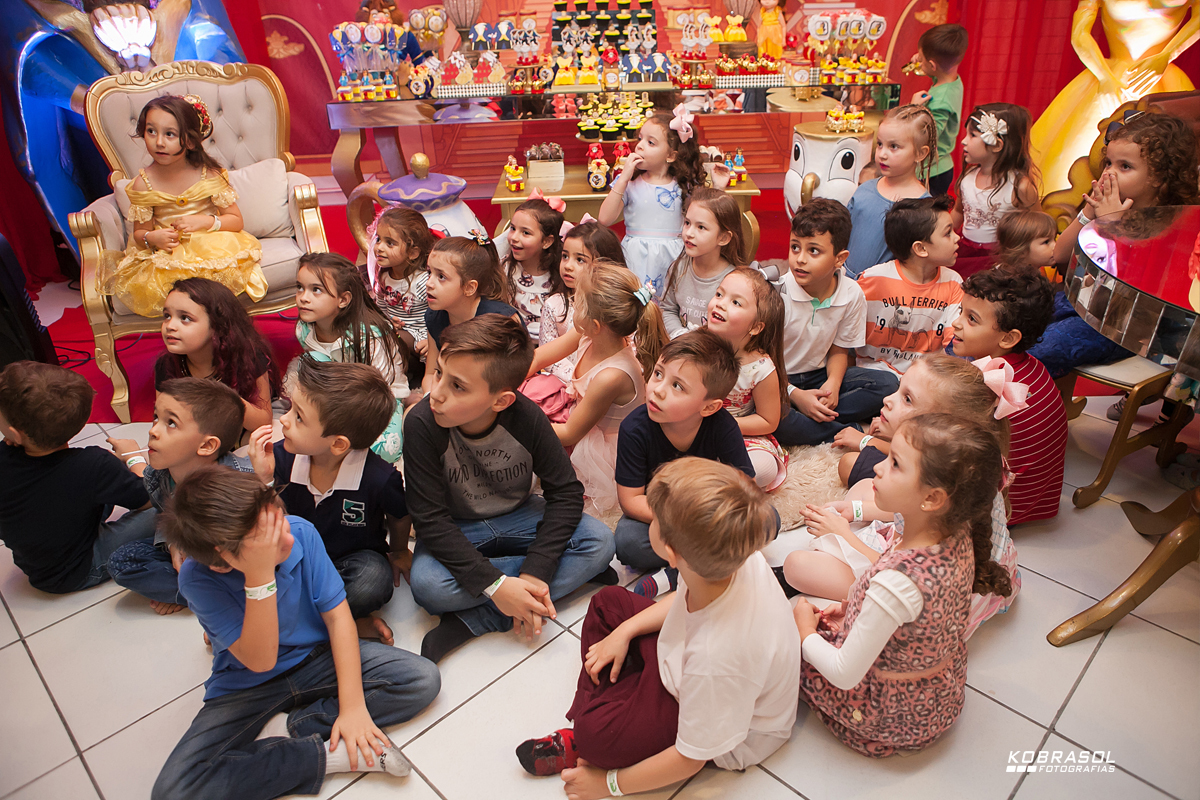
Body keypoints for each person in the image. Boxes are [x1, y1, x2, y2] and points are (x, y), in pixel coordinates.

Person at [152, 467, 440, 800]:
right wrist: (260, 579)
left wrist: (353, 709)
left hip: (318, 656)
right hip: (247, 682)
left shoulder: (301, 531)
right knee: (173, 791)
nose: (287, 537)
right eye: (270, 540)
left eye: (281, 518)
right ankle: (325, 757)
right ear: (222, 560)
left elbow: (338, 619)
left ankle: (289, 727)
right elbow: (261, 661)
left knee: (422, 680)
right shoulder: (196, 579)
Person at [516, 459, 799, 794]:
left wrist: (609, 785)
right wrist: (625, 631)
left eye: (654, 517)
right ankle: (618, 705)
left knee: (594, 736)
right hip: (686, 664)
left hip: (718, 724)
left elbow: (689, 759)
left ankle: (588, 734)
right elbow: (684, 600)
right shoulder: (733, 555)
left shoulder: (715, 659)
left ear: (670, 552)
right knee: (608, 603)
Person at [794, 414, 1011, 757]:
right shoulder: (957, 533)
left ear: (932, 498)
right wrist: (851, 609)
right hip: (935, 697)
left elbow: (844, 673)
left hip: (890, 715)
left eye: (895, 463)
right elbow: (917, 619)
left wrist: (805, 632)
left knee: (782, 638)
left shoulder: (897, 582)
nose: (877, 468)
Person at [403, 315, 617, 663]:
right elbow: (429, 520)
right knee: (428, 585)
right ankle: (533, 588)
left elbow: (565, 493)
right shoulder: (421, 423)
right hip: (458, 527)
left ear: (501, 401)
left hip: (520, 516)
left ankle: (482, 617)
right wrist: (498, 584)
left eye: (457, 386)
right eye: (439, 373)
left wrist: (536, 569)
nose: (436, 394)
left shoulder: (527, 417)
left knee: (601, 542)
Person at [824, 353, 1025, 636]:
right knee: (862, 489)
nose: (888, 400)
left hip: (923, 593)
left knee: (800, 566)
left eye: (907, 398)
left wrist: (843, 533)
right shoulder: (955, 469)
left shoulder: (941, 502)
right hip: (943, 563)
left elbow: (898, 570)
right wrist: (858, 510)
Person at [248, 358, 410, 645]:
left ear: (338, 444)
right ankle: (343, 625)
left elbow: (399, 516)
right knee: (245, 560)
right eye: (290, 408)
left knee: (373, 579)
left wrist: (398, 550)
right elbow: (265, 522)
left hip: (352, 559)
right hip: (293, 558)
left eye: (299, 417)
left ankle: (287, 624)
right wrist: (265, 480)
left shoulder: (380, 477)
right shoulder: (280, 458)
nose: (283, 420)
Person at [1034, 112, 1200, 381]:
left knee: (1043, 348)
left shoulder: (1174, 227)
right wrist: (1089, 212)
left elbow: (1131, 294)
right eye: (1108, 163)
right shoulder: (1103, 206)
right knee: (1011, 322)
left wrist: (1113, 226)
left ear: (1160, 177)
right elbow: (1059, 254)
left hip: (1125, 327)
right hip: (1081, 304)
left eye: (1125, 167)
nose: (1109, 173)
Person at [95, 95, 266, 318]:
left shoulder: (208, 174)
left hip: (211, 245)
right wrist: (152, 238)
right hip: (169, 251)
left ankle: (217, 329)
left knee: (212, 293)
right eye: (151, 131)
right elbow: (139, 233)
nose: (159, 142)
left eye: (170, 134)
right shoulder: (144, 183)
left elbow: (236, 220)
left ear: (191, 141)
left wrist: (205, 221)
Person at [613, 330, 755, 593]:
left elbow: (745, 484)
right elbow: (631, 500)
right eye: (658, 374)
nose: (658, 390)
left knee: (768, 521)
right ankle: (703, 566)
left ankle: (673, 574)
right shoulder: (634, 429)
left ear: (709, 407)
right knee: (627, 542)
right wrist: (685, 520)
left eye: (677, 386)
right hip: (661, 514)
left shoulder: (723, 426)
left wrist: (710, 516)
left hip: (706, 512)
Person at [0, 361, 154, 594]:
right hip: (76, 570)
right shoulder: (94, 465)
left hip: (36, 561)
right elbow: (149, 499)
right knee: (169, 504)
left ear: (15, 434)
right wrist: (134, 458)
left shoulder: (6, 453)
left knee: (93, 486)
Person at [107, 378, 252, 614]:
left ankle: (216, 597)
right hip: (194, 550)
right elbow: (164, 515)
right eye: (156, 417)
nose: (153, 430)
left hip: (235, 560)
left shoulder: (237, 484)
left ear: (207, 446)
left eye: (171, 423)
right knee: (122, 561)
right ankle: (197, 594)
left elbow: (252, 548)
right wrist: (173, 542)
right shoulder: (157, 475)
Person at [770, 199, 895, 447]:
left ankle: (813, 417)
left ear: (840, 259)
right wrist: (795, 395)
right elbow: (759, 360)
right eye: (795, 247)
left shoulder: (852, 293)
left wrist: (833, 385)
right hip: (775, 378)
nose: (800, 259)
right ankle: (847, 429)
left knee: (888, 385)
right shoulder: (776, 293)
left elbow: (839, 349)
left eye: (813, 251)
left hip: (818, 375)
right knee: (776, 418)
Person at [950, 267, 1065, 525]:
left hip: (996, 512)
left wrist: (871, 441)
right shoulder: (1033, 366)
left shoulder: (986, 384)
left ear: (1009, 338)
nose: (956, 323)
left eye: (972, 319)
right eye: (961, 311)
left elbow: (944, 449)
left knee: (869, 462)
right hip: (1036, 502)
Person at [553, 261, 666, 515]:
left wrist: (523, 423)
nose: (572, 304)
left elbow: (570, 434)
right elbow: (540, 357)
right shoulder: (589, 334)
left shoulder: (612, 376)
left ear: (595, 324)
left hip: (604, 448)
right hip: (581, 418)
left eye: (577, 302)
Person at [294, 253, 411, 463]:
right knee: (312, 441)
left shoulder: (371, 335)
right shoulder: (304, 330)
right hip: (336, 395)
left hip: (378, 397)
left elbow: (382, 388)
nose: (303, 297)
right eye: (300, 287)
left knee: (383, 450)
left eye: (316, 290)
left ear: (343, 299)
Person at [599, 106, 713, 294]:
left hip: (673, 256)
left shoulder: (683, 186)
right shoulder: (630, 183)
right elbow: (605, 219)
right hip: (635, 257)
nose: (640, 146)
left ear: (671, 155)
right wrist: (623, 178)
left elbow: (706, 215)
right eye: (640, 138)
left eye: (650, 142)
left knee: (670, 300)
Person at [155, 277, 279, 435]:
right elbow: (162, 419)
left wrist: (223, 399)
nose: (170, 326)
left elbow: (263, 420)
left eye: (185, 318)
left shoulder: (248, 357)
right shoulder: (167, 365)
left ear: (217, 326)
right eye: (167, 316)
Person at [857, 196, 964, 377]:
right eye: (948, 233)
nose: (957, 237)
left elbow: (953, 344)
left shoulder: (953, 283)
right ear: (921, 249)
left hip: (925, 378)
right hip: (875, 375)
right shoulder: (871, 280)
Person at [704, 268, 789, 490]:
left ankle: (711, 482)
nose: (720, 304)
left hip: (739, 433)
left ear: (755, 327)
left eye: (736, 302)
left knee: (763, 468)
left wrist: (723, 427)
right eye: (719, 294)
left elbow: (768, 421)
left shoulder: (760, 368)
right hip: (692, 428)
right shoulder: (694, 347)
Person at [844, 105, 937, 277]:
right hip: (845, 281)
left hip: (884, 289)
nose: (882, 154)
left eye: (894, 146)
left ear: (920, 153)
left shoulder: (923, 208)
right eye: (880, 144)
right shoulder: (864, 189)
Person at [951, 103, 1041, 278]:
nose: (963, 141)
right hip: (965, 253)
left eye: (972, 135)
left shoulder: (1020, 186)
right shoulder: (967, 178)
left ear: (997, 145)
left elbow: (1037, 227)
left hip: (1000, 261)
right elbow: (958, 212)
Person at [530, 220, 627, 383]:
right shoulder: (554, 305)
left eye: (580, 260)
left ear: (605, 265)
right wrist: (577, 379)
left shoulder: (619, 307)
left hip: (610, 383)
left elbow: (630, 350)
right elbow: (548, 356)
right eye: (565, 256)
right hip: (565, 384)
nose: (568, 266)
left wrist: (596, 381)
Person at [421, 234, 520, 393]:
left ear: (469, 287)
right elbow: (430, 374)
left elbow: (515, 378)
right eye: (429, 273)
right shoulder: (435, 317)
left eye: (441, 276)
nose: (429, 283)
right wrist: (430, 396)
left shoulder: (499, 319)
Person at [659, 188, 745, 337]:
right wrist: (680, 335)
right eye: (687, 223)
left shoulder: (734, 280)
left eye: (701, 227)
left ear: (723, 238)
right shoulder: (678, 268)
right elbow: (668, 309)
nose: (689, 233)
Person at [910, 24, 968, 197]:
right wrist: (923, 62)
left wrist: (914, 109)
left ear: (932, 65)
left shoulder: (940, 102)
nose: (918, 61)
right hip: (940, 166)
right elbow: (937, 74)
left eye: (921, 59)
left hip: (932, 172)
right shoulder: (953, 81)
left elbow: (927, 136)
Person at [369, 206, 437, 352]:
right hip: (396, 331)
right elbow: (381, 308)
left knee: (387, 340)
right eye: (378, 239)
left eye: (390, 243)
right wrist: (387, 322)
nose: (379, 247)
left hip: (421, 336)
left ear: (412, 252)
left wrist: (431, 341)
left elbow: (440, 315)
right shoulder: (384, 276)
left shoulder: (423, 282)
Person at [502, 197, 567, 343]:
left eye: (525, 233)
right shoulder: (505, 269)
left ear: (546, 241)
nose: (514, 237)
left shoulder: (563, 274)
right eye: (513, 228)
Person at [993, 209, 1059, 275]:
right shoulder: (1008, 279)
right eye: (1046, 242)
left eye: (1054, 239)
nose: (1055, 245)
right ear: (1021, 251)